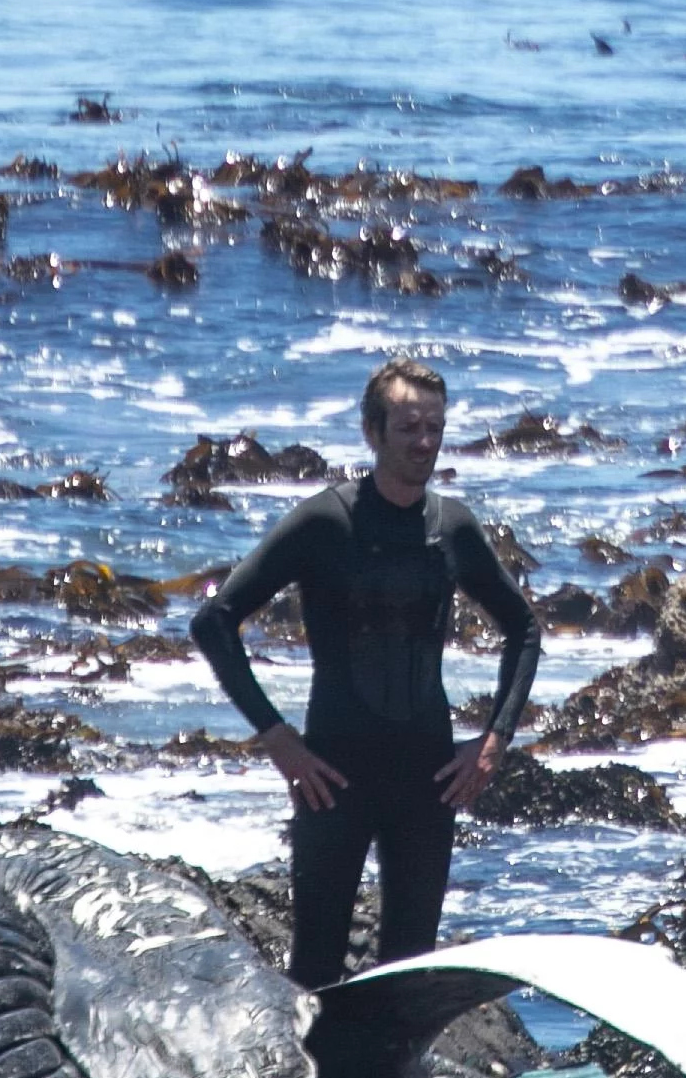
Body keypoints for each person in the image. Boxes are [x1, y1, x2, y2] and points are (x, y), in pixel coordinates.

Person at [190, 359, 541, 988]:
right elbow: (214, 621)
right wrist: (276, 736)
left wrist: (494, 741)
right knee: (315, 970)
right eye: (409, 427)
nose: (425, 442)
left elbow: (524, 629)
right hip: (333, 778)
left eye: (435, 426)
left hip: (427, 781)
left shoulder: (451, 525)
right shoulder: (326, 521)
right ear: (372, 432)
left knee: (410, 971)